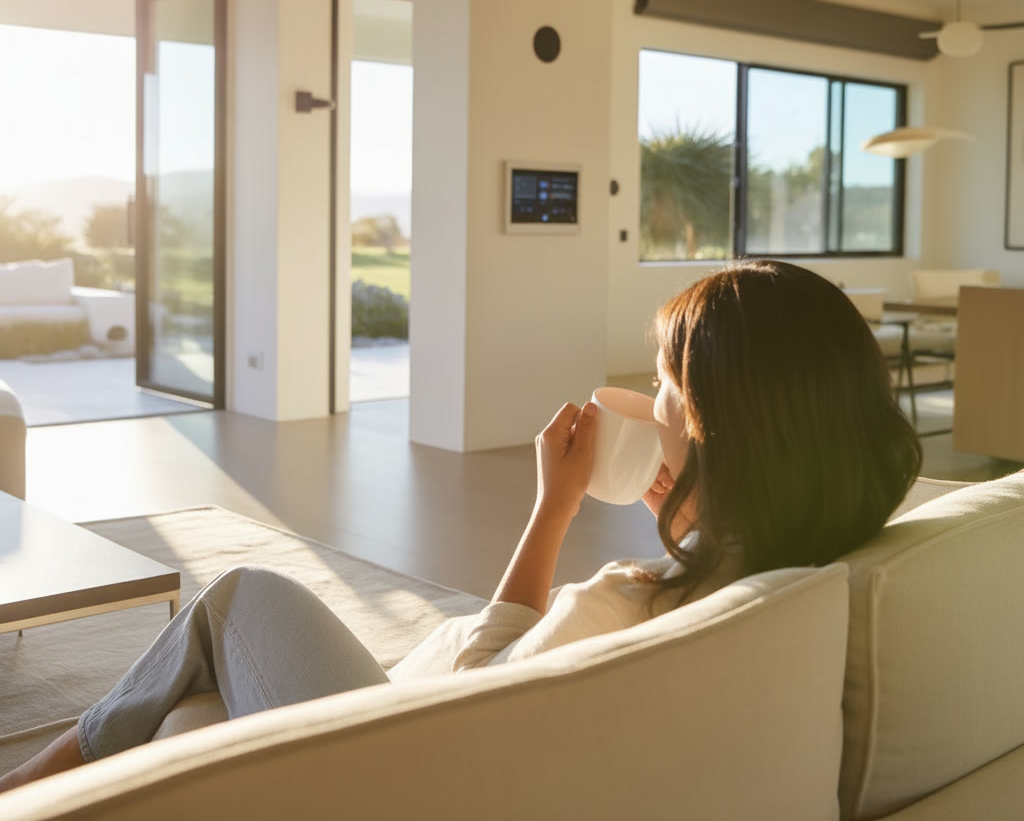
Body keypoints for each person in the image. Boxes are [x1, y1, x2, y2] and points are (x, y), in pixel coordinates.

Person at [0, 259, 921, 792]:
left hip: (403, 757)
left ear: (726, 427)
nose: (649, 400)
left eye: (666, 388)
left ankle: (23, 795)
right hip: (438, 731)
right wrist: (692, 517)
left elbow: (480, 684)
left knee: (238, 599)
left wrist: (551, 509)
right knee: (190, 717)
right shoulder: (802, 575)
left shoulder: (623, 607)